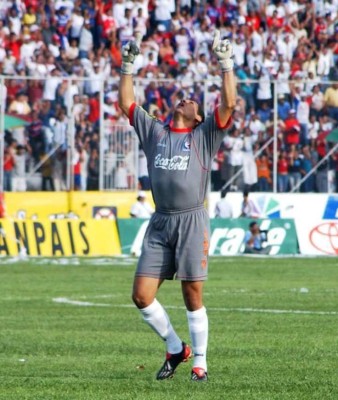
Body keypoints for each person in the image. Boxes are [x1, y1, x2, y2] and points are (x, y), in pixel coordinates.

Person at [118, 30, 236, 382]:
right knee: (141, 296)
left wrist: (226, 63)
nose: (186, 99)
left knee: (191, 292)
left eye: (192, 101)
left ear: (199, 118)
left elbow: (229, 103)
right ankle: (175, 348)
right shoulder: (156, 132)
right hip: (160, 222)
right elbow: (127, 102)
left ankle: (200, 361)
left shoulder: (204, 135)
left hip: (191, 220)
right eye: (184, 98)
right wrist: (127, 65)